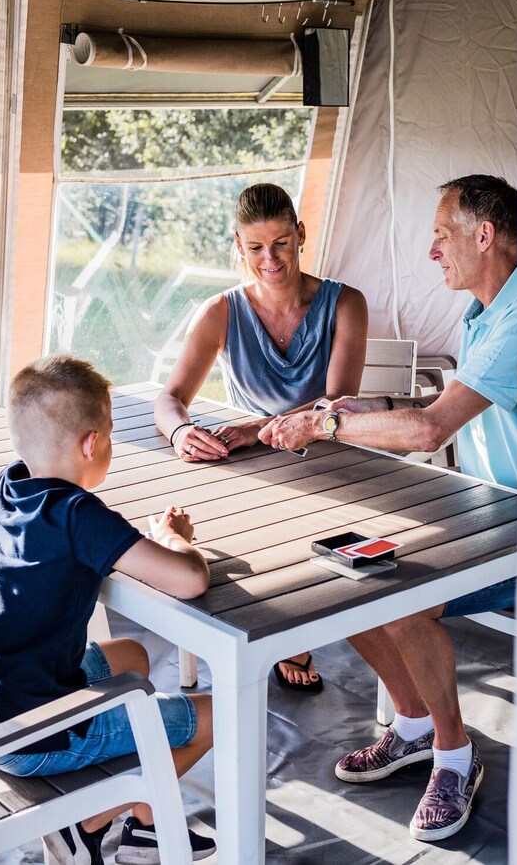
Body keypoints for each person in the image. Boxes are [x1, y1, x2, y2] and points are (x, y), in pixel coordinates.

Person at [260, 174, 517, 842]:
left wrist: (325, 427)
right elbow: (443, 406)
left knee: (399, 593)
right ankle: (409, 726)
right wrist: (361, 408)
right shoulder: (489, 309)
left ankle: (455, 756)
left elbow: (433, 429)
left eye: (442, 237)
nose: (433, 252)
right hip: (489, 508)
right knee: (345, 569)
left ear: (483, 236)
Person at [0, 355, 216, 865]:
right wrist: (172, 538)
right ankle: (89, 821)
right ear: (92, 443)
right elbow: (190, 580)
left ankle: (147, 829)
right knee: (214, 715)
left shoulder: (9, 487)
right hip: (33, 735)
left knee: (133, 657)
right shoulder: (79, 516)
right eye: (112, 435)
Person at [155, 182, 368, 693]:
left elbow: (336, 402)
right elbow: (169, 399)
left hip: (328, 457)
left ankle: (284, 627)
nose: (269, 258)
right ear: (238, 247)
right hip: (249, 470)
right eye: (255, 247)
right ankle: (259, 634)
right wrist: (182, 431)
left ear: (299, 234)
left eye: (280, 242)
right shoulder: (219, 312)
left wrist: (253, 427)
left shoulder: (346, 304)